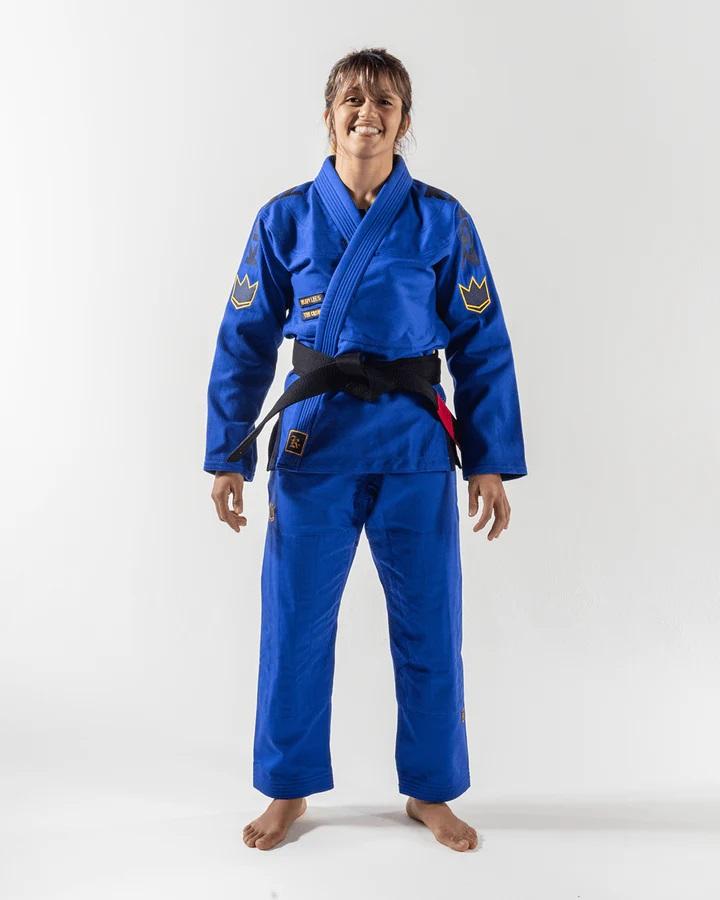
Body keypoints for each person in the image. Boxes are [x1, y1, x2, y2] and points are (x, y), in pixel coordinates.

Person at [204, 48, 527, 852]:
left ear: (404, 122)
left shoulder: (442, 220)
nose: (367, 113)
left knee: (430, 626)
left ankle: (431, 789)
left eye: (385, 102)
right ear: (328, 117)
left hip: (415, 445)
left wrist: (487, 458)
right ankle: (287, 788)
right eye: (352, 99)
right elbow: (244, 340)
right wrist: (228, 454)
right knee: (294, 626)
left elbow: (481, 343)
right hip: (314, 444)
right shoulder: (285, 219)